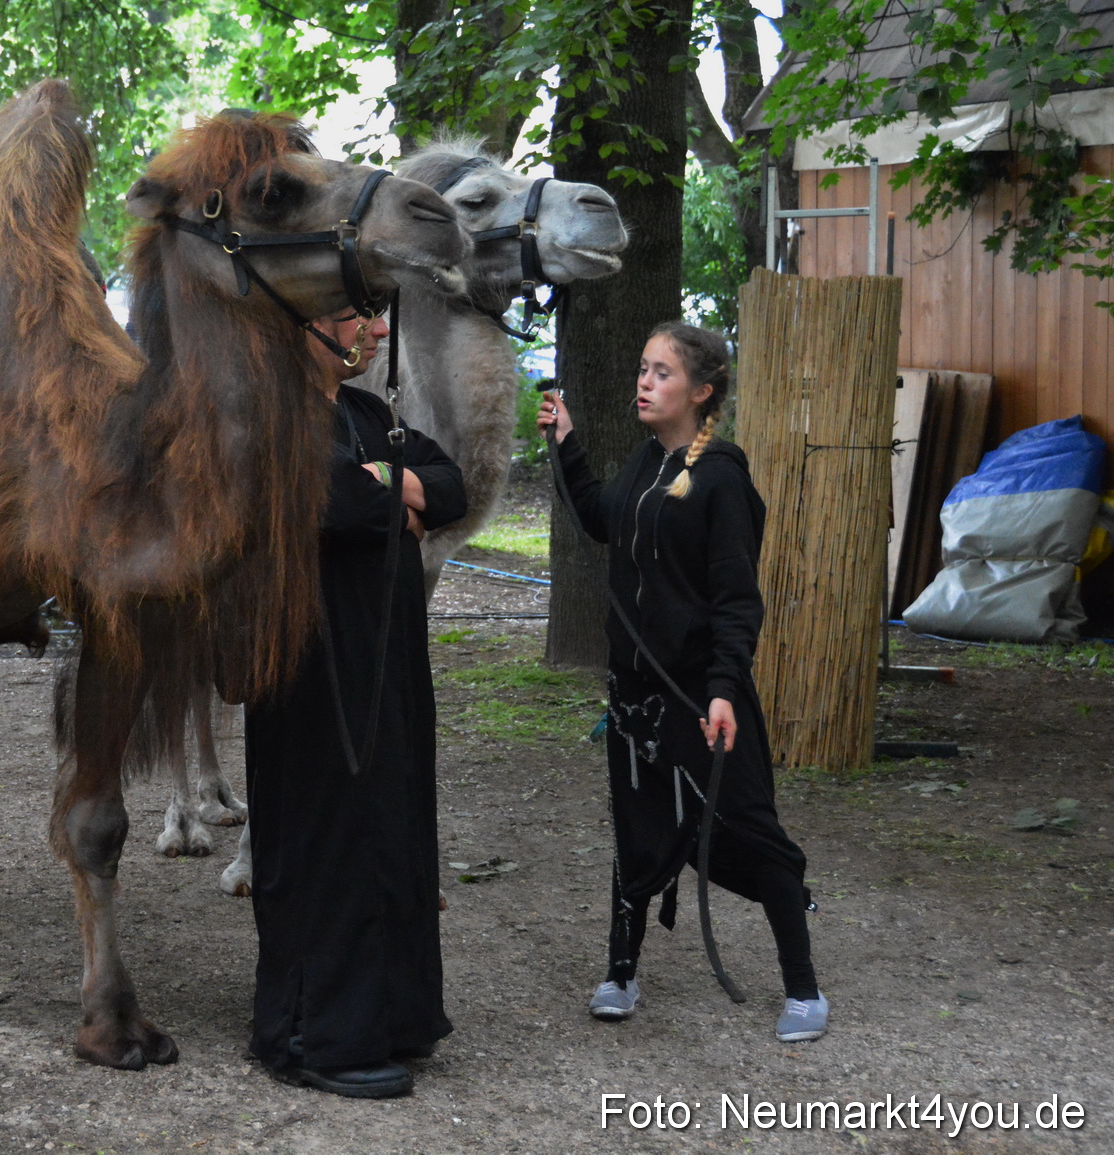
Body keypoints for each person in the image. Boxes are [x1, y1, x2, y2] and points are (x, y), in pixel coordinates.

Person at [536, 321, 829, 1042]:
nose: (644, 381)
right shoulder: (645, 465)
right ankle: (621, 970)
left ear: (701, 391)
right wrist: (567, 441)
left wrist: (726, 687)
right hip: (635, 695)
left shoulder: (722, 476)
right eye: (642, 367)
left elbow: (736, 599)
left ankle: (803, 989)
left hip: (702, 693)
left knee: (751, 830)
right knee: (636, 831)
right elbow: (602, 518)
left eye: (661, 372)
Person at [244, 307, 467, 1099]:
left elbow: (449, 483)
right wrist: (390, 491)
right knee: (326, 834)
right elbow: (322, 498)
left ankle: (390, 1016)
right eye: (351, 316)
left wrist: (395, 482)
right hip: (315, 667)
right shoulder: (269, 411)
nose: (373, 328)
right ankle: (313, 1032)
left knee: (392, 825)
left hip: (390, 663)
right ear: (302, 322)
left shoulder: (370, 414)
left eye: (374, 314)